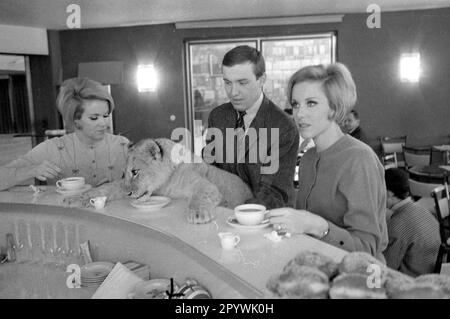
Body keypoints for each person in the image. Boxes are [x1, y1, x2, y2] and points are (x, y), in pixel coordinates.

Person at [269, 63, 388, 260]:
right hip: (315, 265)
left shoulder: (359, 159)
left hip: (357, 277)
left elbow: (368, 249)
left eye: (311, 103)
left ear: (334, 107)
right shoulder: (308, 158)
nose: (299, 114)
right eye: (295, 104)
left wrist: (318, 227)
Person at [204, 45, 299, 208]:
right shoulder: (217, 116)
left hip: (264, 221)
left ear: (262, 80)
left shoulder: (284, 127)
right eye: (228, 83)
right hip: (223, 215)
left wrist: (236, 215)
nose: (233, 92)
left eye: (242, 83)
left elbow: (273, 193)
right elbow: (210, 172)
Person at [0, 77, 129, 191]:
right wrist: (31, 170)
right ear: (75, 120)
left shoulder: (122, 145)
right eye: (94, 118)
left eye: (106, 115)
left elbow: (144, 183)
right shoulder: (52, 149)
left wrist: (117, 186)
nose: (104, 123)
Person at [383, 168, 440, 277]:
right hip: (431, 272)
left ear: (389, 193)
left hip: (413, 281)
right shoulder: (422, 210)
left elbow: (387, 266)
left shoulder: (397, 225)